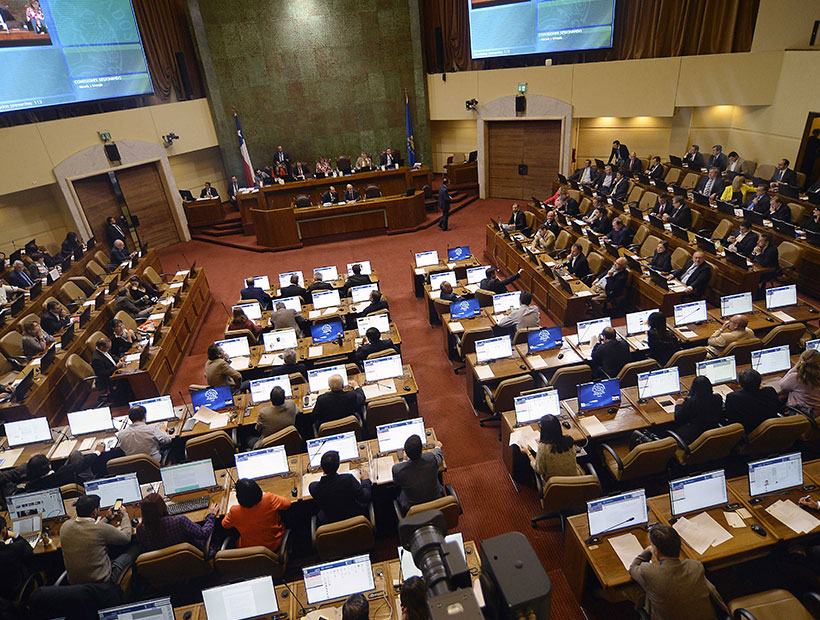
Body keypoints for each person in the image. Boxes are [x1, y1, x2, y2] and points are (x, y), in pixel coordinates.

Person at [629, 524, 726, 620]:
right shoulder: (696, 566)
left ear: (656, 550)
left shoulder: (649, 572)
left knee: (633, 590)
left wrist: (648, 550)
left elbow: (633, 568)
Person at [60, 494, 136, 585]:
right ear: (94, 512)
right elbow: (126, 537)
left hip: (76, 585)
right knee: (135, 547)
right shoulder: (101, 529)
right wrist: (124, 515)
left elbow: (89, 529)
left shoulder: (65, 526)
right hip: (102, 583)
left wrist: (107, 518)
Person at [221, 478, 290, 552]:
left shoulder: (234, 511)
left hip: (249, 550)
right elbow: (287, 503)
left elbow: (225, 524)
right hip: (275, 544)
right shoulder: (269, 499)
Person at [136, 492, 217, 554]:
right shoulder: (179, 521)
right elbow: (204, 533)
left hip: (163, 570)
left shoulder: (140, 530)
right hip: (194, 560)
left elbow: (145, 550)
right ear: (162, 506)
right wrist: (211, 515)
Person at [309, 450, 372, 525]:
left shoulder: (313, 487)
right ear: (338, 465)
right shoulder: (348, 479)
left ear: (321, 467)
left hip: (331, 525)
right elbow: (365, 497)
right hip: (355, 520)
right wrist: (365, 480)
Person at [392, 435, 444, 513]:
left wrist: (404, 461)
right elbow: (439, 457)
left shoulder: (397, 469)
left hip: (413, 508)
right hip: (436, 501)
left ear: (405, 452)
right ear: (421, 450)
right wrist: (437, 447)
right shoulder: (431, 458)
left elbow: (397, 483)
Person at [724, 369, 782, 433]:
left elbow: (730, 417)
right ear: (760, 381)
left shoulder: (733, 397)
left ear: (740, 383)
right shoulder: (770, 391)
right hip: (771, 430)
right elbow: (779, 406)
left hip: (749, 433)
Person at [525, 414, 578, 481]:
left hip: (554, 485)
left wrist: (528, 452)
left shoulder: (543, 448)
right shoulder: (569, 440)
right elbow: (574, 455)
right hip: (575, 482)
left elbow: (539, 470)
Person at [672, 375, 723, 443]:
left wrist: (678, 405)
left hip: (693, 436)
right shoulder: (717, 398)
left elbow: (678, 418)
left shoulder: (690, 403)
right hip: (712, 431)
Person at [0, 514, 33, 600]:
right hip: (16, 594)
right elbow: (29, 550)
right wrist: (15, 535)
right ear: (4, 530)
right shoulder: (15, 549)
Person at [780, 349, 820, 416]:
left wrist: (797, 367)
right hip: (817, 414)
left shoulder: (797, 377)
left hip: (801, 414)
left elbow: (782, 385)